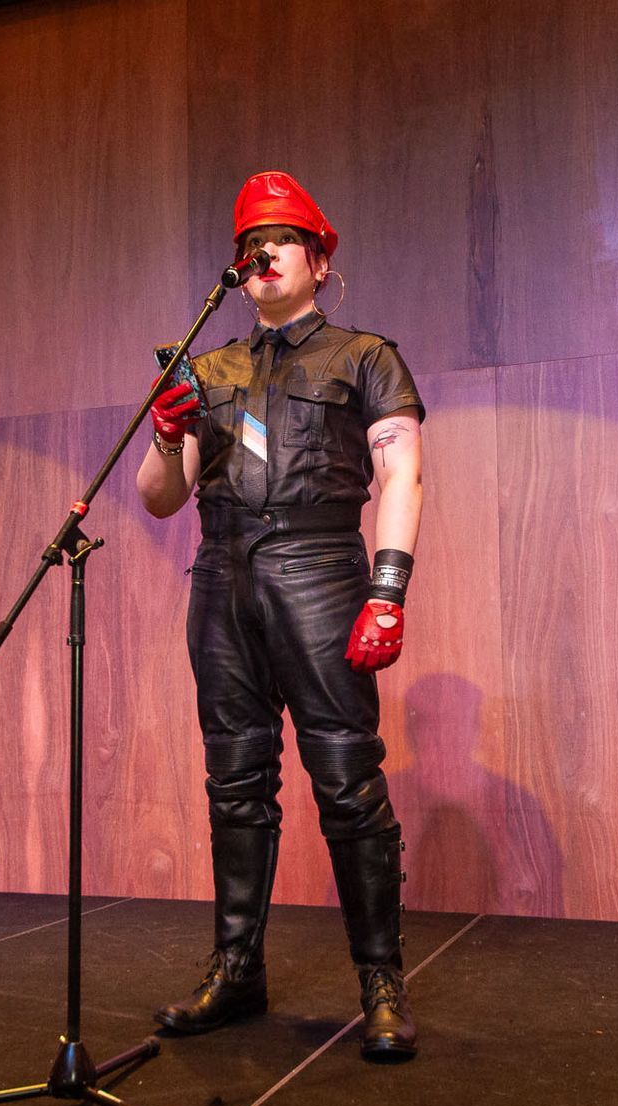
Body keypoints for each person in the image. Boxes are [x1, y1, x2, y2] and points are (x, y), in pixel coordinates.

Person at [135, 172, 425, 1060]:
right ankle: (237, 969)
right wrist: (166, 433)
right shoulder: (208, 368)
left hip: (321, 570)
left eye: (282, 239)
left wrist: (387, 590)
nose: (262, 254)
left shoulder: (365, 356)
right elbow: (159, 498)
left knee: (346, 778)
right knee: (234, 780)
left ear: (319, 259)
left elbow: (403, 472)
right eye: (249, 244)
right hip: (222, 575)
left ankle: (381, 981)